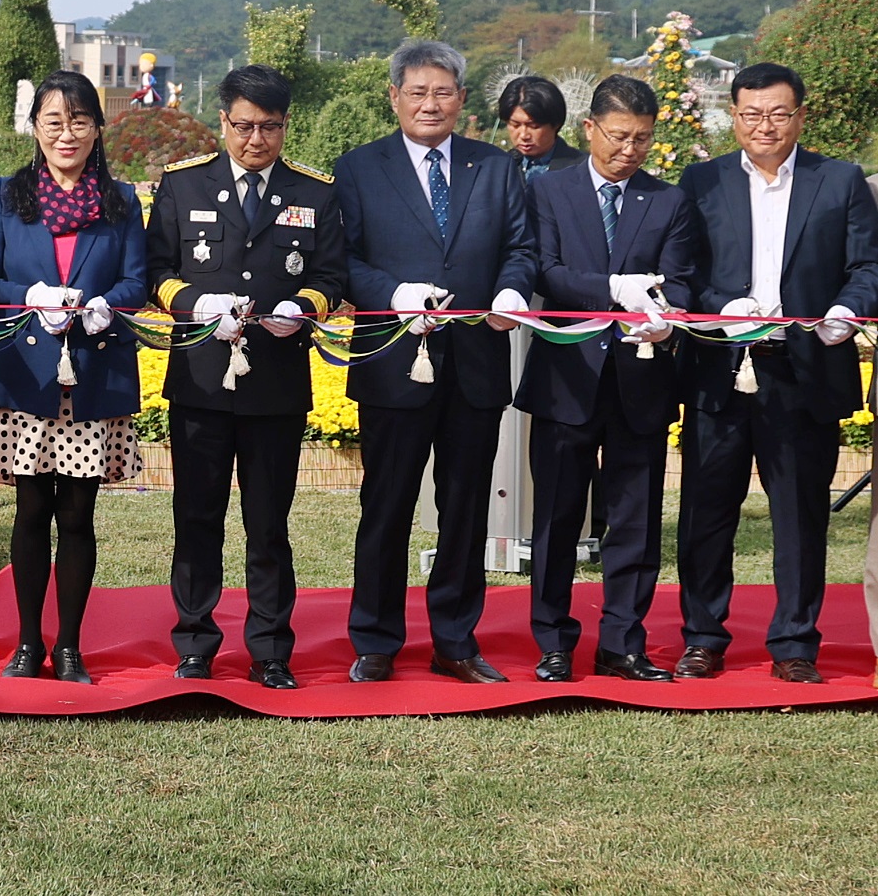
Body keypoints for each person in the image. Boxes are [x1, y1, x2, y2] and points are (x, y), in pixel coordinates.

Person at [487, 74, 700, 683]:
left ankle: (623, 643)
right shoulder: (549, 193)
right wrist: (611, 291)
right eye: (618, 136)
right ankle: (553, 642)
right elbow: (546, 271)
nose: (629, 150)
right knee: (555, 518)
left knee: (634, 518)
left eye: (642, 139)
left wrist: (669, 321)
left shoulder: (668, 201)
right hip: (566, 379)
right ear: (590, 130)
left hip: (641, 380)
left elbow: (680, 281)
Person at [336, 39, 535, 685]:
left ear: (461, 98)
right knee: (385, 506)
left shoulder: (495, 167)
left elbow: (520, 247)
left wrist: (510, 289)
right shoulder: (359, 168)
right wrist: (392, 296)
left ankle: (453, 638)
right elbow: (344, 260)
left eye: (442, 91)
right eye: (416, 91)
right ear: (392, 96)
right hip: (394, 361)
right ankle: (374, 638)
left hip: (474, 363)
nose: (429, 103)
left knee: (465, 507)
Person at [672, 61, 878, 683]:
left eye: (778, 114)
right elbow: (682, 271)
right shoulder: (700, 181)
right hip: (721, 367)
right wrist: (718, 307)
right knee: (708, 513)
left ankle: (794, 643)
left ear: (800, 116)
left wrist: (848, 308)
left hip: (805, 367)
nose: (765, 125)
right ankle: (703, 636)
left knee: (799, 514)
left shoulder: (838, 181)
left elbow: (868, 266)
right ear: (733, 116)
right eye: (752, 114)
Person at [143, 62, 346, 688]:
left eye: (271, 127)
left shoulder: (315, 191)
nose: (256, 140)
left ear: (286, 125)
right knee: (196, 515)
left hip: (276, 381)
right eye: (244, 126)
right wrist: (194, 305)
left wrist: (304, 306)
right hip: (201, 379)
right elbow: (155, 268)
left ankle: (270, 648)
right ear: (222, 121)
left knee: (269, 522)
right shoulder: (184, 185)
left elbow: (333, 278)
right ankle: (196, 642)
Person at [0, 71, 148, 684]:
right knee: (28, 512)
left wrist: (105, 306)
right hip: (27, 372)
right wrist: (30, 295)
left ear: (98, 128)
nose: (66, 133)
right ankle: (26, 643)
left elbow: (137, 281)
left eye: (79, 121)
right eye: (54, 121)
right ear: (36, 129)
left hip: (93, 372)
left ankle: (69, 646)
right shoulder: (7, 196)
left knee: (77, 515)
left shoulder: (121, 201)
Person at [497, 76, 585, 177]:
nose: (524, 135)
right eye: (515, 125)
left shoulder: (581, 169)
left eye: (534, 126)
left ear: (555, 123)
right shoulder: (500, 168)